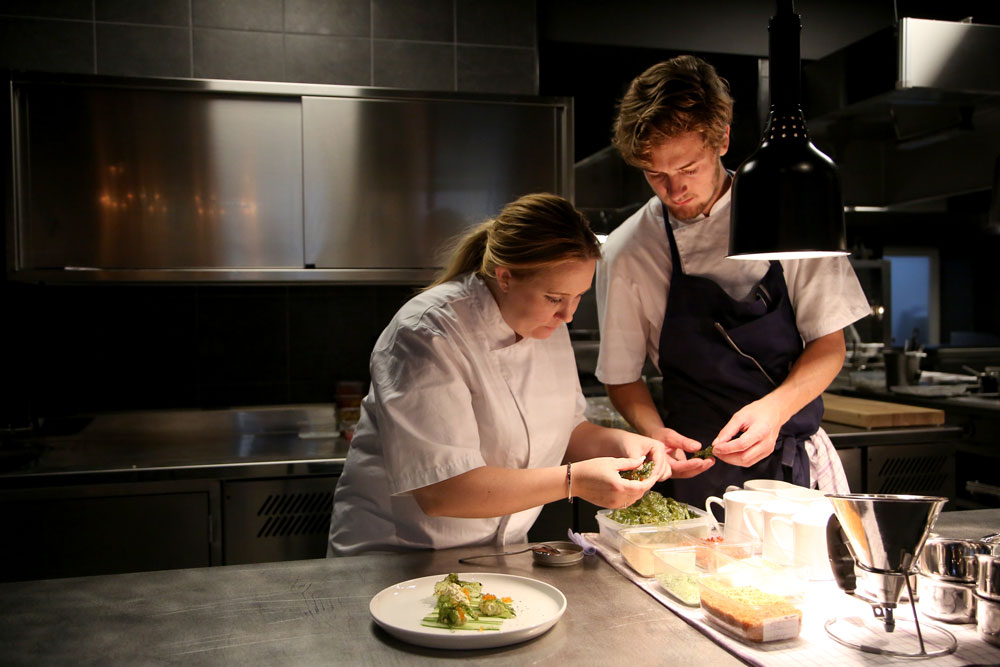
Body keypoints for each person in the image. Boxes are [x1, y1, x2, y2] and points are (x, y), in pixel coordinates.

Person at [328, 193, 695, 556]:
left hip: (499, 556)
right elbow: (442, 491)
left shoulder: (547, 325)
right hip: (400, 555)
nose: (567, 315)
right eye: (554, 298)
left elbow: (566, 431)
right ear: (505, 278)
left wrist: (628, 444)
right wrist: (575, 480)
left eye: (578, 297)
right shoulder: (428, 332)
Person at [595, 55, 871, 508]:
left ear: (722, 139)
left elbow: (828, 344)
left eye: (688, 168)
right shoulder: (628, 250)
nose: (674, 190)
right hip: (693, 474)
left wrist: (775, 409)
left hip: (789, 471)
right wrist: (654, 434)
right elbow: (623, 378)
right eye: (655, 175)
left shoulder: (785, 215)